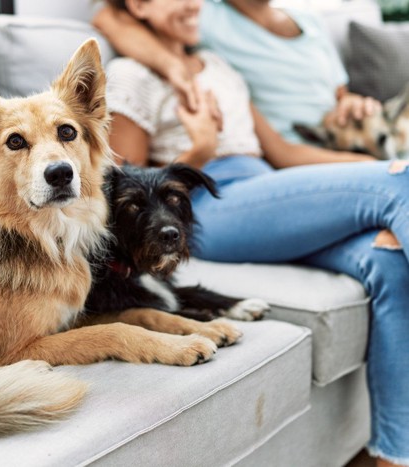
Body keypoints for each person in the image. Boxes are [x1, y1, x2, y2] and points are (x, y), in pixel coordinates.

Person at [98, 1, 409, 466]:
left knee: (385, 259)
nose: (190, 3)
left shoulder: (219, 67)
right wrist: (199, 151)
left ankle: (394, 454)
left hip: (267, 190)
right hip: (213, 205)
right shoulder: (129, 76)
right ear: (138, 6)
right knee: (398, 182)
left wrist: (369, 174)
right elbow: (128, 197)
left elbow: (280, 150)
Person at [93, 0, 382, 143]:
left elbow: (340, 94)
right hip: (299, 149)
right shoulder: (204, 15)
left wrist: (351, 103)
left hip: (355, 139)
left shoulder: (311, 22)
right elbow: (110, 17)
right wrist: (172, 66)